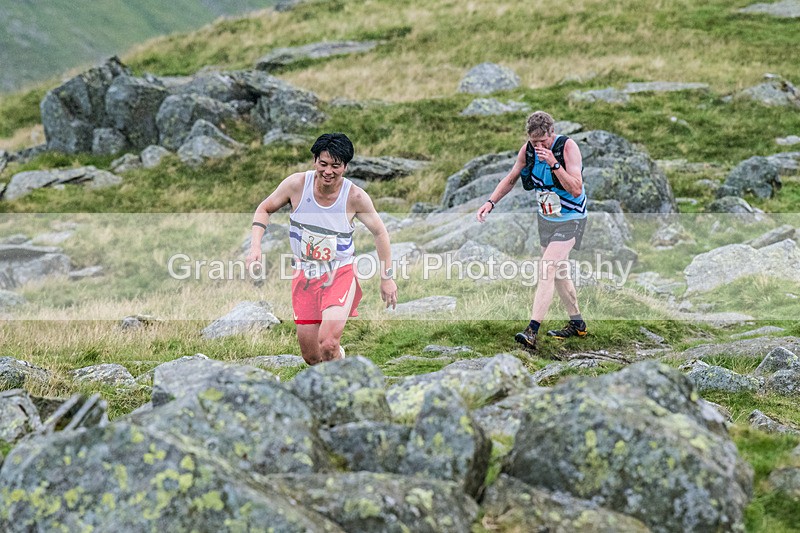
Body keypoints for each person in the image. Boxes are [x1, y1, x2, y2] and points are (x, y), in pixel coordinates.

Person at [246, 133, 398, 365]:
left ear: (345, 167)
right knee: (312, 357)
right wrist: (255, 246)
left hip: (340, 274)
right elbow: (264, 209)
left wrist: (386, 278)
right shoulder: (296, 185)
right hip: (304, 275)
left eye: (335, 166)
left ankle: (344, 377)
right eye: (323, 164)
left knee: (328, 343)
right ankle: (337, 363)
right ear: (315, 161)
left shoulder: (355, 197)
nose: (328, 171)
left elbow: (380, 232)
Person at [476, 111, 588, 352]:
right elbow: (511, 178)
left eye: (543, 142)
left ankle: (531, 331)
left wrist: (553, 163)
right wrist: (490, 202)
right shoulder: (527, 150)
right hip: (546, 219)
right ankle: (577, 322)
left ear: (551, 133)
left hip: (571, 218)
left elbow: (577, 189)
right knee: (559, 272)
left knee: (547, 268)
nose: (538, 146)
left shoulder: (567, 148)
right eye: (534, 142)